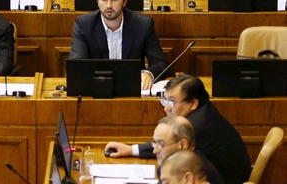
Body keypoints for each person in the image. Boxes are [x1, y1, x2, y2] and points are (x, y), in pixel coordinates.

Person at [105, 74, 251, 184]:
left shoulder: (197, 126)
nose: (166, 108)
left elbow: (169, 151)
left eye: (172, 101)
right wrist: (131, 150)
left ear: (193, 103)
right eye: (165, 100)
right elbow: (168, 144)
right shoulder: (204, 112)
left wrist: (133, 150)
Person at [69, 0, 167, 90]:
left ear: (124, 1)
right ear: (97, 1)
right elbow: (77, 66)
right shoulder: (84, 25)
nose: (109, 5)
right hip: (98, 89)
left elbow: (160, 63)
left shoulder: (143, 24)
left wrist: (148, 73)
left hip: (132, 89)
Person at [148, 117, 225, 184]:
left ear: (182, 145)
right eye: (155, 143)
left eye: (161, 144)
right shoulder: (183, 164)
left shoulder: (201, 171)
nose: (155, 151)